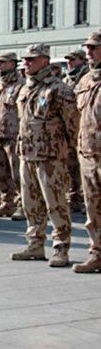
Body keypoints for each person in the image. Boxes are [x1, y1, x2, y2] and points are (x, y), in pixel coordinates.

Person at [12, 43, 79, 267]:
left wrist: (68, 152)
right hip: (28, 154)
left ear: (45, 61)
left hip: (50, 156)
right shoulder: (25, 88)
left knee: (56, 203)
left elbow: (73, 124)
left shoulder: (58, 89)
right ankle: (35, 244)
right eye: (26, 60)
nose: (26, 63)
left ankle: (61, 247)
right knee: (31, 203)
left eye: (32, 59)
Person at [73, 32, 101, 273]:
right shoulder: (84, 81)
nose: (89, 52)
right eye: (88, 48)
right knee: (92, 207)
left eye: (94, 48)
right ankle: (96, 253)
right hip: (89, 153)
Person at [0, 53, 26, 219]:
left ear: (13, 63)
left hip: (13, 135)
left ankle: (23, 204)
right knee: (0, 173)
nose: (0, 66)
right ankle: (7, 202)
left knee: (18, 174)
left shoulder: (21, 84)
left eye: (4, 63)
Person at [63, 48, 89, 214]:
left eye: (73, 60)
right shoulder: (67, 80)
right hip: (68, 129)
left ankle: (87, 199)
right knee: (70, 165)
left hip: (84, 129)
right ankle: (74, 198)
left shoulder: (86, 78)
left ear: (82, 60)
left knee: (86, 168)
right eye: (68, 60)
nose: (69, 63)